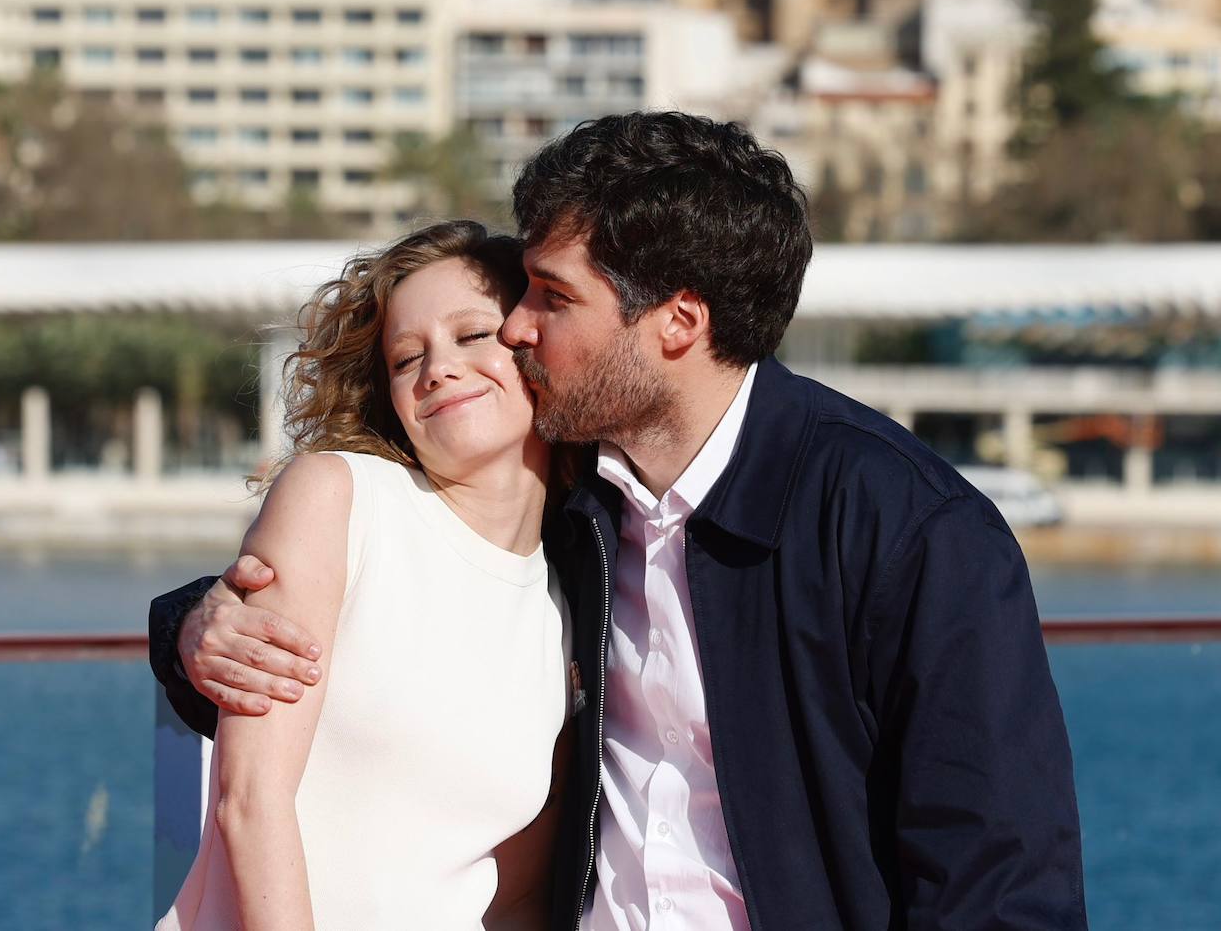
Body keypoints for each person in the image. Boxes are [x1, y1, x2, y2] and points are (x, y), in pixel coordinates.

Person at [152, 112, 1087, 930]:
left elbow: (997, 880)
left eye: (553, 297)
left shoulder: (910, 530)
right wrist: (199, 621)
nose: (518, 328)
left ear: (677, 323)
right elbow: (385, 620)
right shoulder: (575, 502)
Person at [154, 221, 573, 930]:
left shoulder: (570, 599)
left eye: (472, 336)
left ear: (535, 346)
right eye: (407, 357)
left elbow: (517, 894)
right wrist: (192, 619)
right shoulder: (340, 497)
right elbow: (249, 802)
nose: (437, 368)